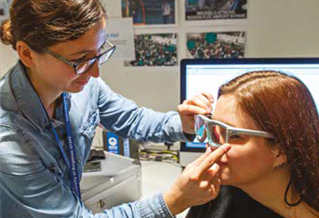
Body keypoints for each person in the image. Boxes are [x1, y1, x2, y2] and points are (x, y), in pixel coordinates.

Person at [0, 0, 230, 217]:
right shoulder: (8, 138)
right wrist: (174, 201)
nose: (95, 73)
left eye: (99, 52)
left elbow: (134, 120)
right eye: (80, 59)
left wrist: (184, 124)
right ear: (27, 54)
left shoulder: (83, 85)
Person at [187, 71, 319, 218]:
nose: (211, 146)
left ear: (281, 151)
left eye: (234, 135)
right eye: (213, 129)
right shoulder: (214, 193)